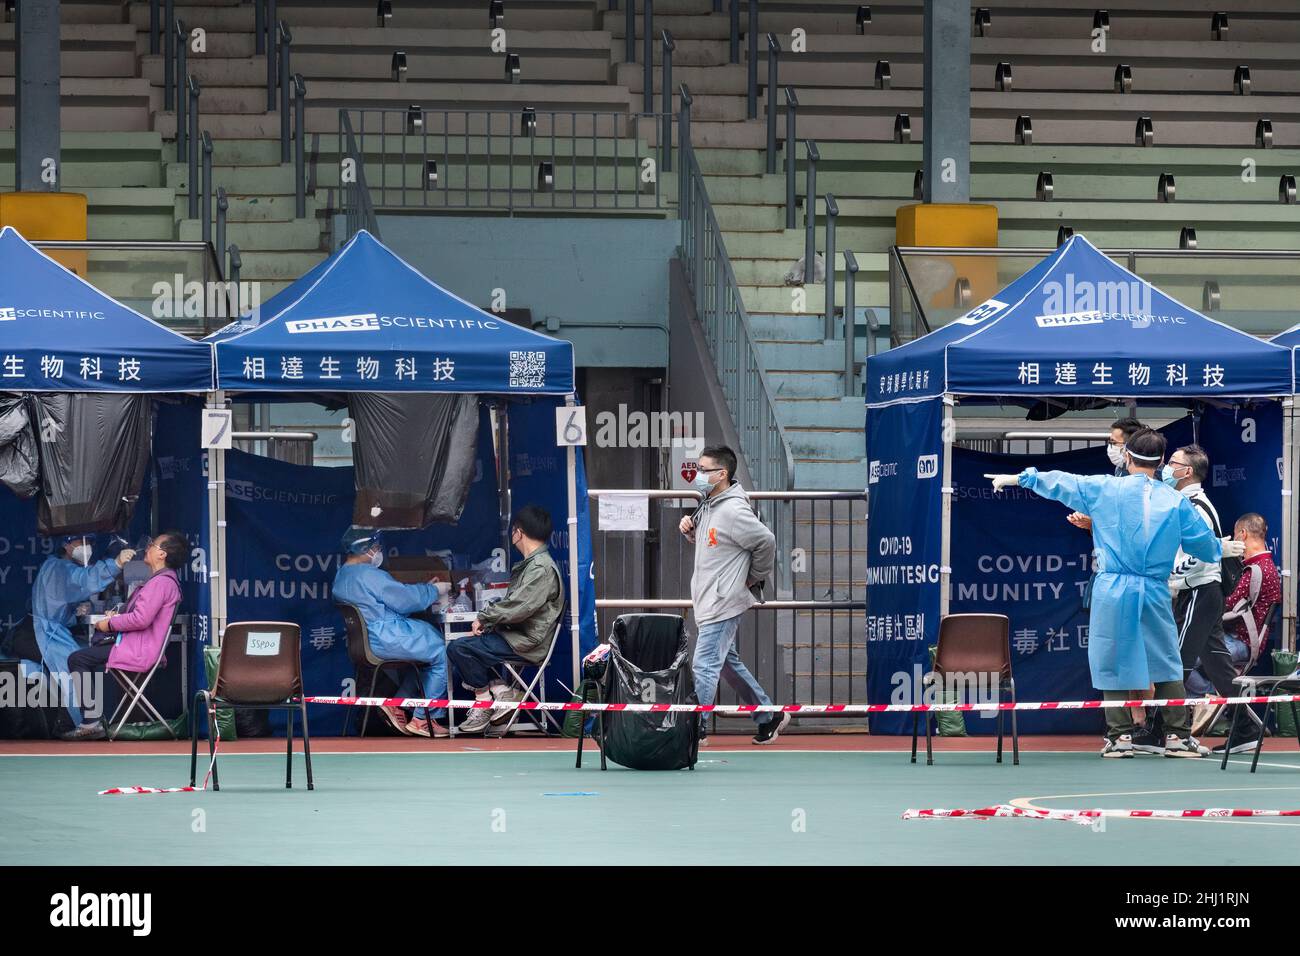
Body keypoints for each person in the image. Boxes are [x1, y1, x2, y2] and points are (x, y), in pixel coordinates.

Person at [988, 428, 1245, 758]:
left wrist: (1021, 478)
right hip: (1153, 588)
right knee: (1166, 661)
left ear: (1127, 456)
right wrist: (1218, 548)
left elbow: (1063, 482)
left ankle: (1120, 737)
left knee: (1112, 658)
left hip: (1112, 588)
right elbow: (1203, 546)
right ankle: (1178, 737)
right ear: (1162, 462)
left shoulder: (1105, 488)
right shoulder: (1175, 501)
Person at [678, 445, 784, 745]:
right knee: (725, 662)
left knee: (705, 664)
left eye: (703, 470)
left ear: (721, 474)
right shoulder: (710, 503)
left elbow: (766, 541)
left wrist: (751, 578)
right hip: (711, 597)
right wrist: (689, 529)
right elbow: (714, 544)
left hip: (723, 600)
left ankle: (694, 727)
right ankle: (768, 714)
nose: (697, 475)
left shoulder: (734, 510)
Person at [446, 505, 565, 735]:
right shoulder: (535, 565)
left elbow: (519, 608)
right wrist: (489, 623)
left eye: (513, 531)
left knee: (458, 648)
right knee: (468, 647)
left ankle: (483, 703)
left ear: (519, 532)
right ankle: (502, 691)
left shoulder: (540, 569)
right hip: (517, 636)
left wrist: (485, 617)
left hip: (527, 642)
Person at [64, 532, 186, 740]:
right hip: (138, 645)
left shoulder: (161, 583)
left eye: (152, 545)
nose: (147, 547)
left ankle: (91, 722)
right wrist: (119, 616)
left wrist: (109, 624)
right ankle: (93, 721)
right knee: (81, 658)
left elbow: (141, 619)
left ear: (162, 554)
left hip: (139, 650)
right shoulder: (162, 581)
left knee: (77, 659)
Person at [332, 528, 449, 738]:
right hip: (386, 637)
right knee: (444, 653)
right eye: (375, 547)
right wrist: (435, 590)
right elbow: (406, 601)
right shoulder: (368, 575)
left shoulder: (342, 576)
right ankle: (424, 718)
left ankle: (397, 703)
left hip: (366, 643)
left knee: (423, 659)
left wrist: (421, 589)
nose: (378, 551)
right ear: (364, 549)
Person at [1163, 446, 1236, 739]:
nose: (1167, 468)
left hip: (1199, 591)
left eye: (1172, 463)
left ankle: (1170, 731)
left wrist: (1170, 577)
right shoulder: (1187, 503)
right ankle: (1246, 728)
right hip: (1201, 592)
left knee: (1177, 662)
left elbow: (1204, 555)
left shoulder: (1195, 508)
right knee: (1219, 666)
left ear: (1187, 471)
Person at [1195, 513, 1282, 753]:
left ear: (1242, 534)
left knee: (1187, 658)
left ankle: (1212, 701)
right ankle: (1227, 708)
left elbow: (1229, 608)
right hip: (1244, 641)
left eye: (1235, 535)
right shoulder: (1266, 566)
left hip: (1241, 642)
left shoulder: (1256, 569)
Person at [32, 534, 135, 735]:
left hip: (54, 630)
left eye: (90, 543)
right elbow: (85, 580)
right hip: (47, 634)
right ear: (66, 544)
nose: (87, 547)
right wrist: (115, 564)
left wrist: (75, 610)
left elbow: (62, 598)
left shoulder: (54, 566)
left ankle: (90, 720)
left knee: (80, 656)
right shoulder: (59, 568)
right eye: (81, 542)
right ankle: (85, 723)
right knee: (73, 666)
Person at [1066, 416, 1146, 535]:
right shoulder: (1120, 469)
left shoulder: (1150, 480)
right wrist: (1092, 522)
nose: (1110, 446)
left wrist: (1094, 523)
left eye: (1114, 443)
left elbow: (1134, 527)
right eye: (1109, 442)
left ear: (1128, 447)